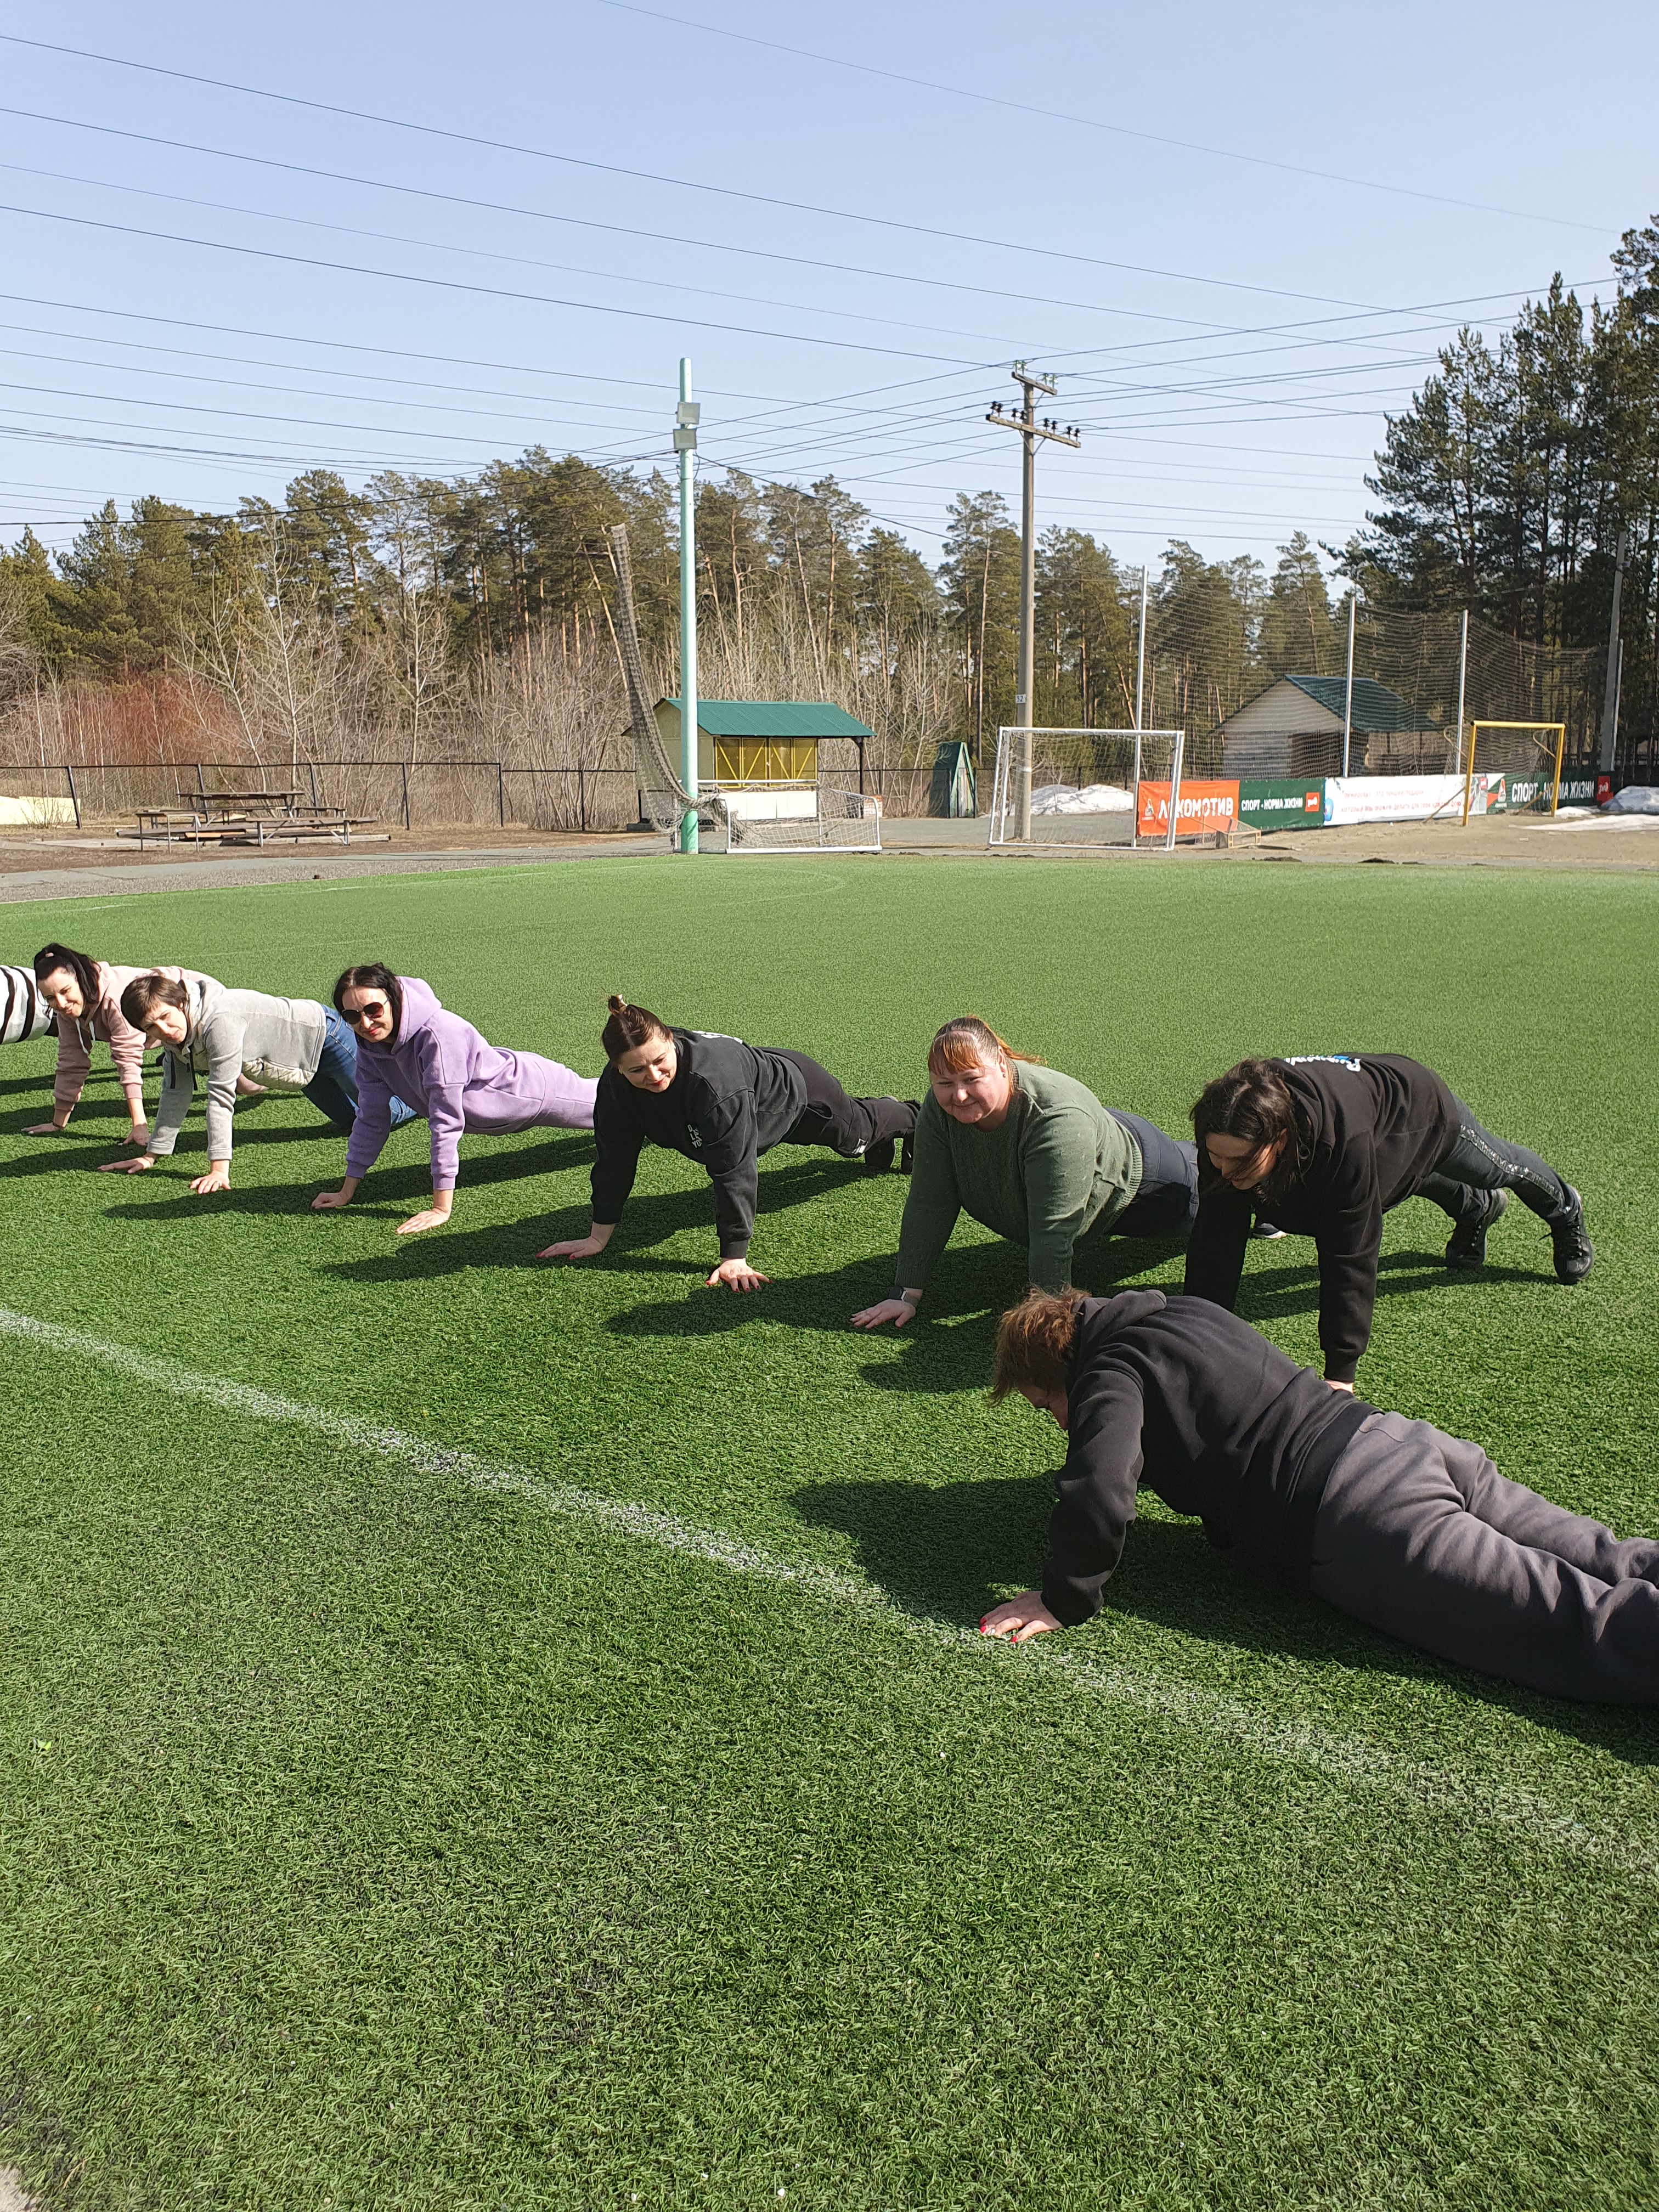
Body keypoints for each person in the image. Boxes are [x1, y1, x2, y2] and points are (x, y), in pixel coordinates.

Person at [978, 1287, 1658, 1703]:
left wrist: (1064, 1595)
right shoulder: (1177, 1311)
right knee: (1607, 1554)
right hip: (1403, 1443)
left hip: (1365, 1516)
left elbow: (1101, 1488)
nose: (1062, 1422)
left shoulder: (1108, 1371)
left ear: (1062, 1364)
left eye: (1048, 1405)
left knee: (1577, 1622)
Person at [1184, 1054, 1592, 1392]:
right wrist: (1198, 1332)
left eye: (1239, 1161)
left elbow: (1350, 1256)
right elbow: (1216, 1238)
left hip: (1419, 1110)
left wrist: (1340, 1374)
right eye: (1214, 1156)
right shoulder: (1226, 1128)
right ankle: (1476, 1209)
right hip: (1369, 1129)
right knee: (1267, 1201)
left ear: (1282, 1138)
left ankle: (1564, 1209)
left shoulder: (1341, 1143)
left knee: (1498, 1168)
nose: (1222, 1168)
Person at [540, 996, 918, 1292]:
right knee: (849, 1141)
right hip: (748, 1099)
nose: (653, 1075)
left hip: (792, 1095)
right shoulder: (616, 1090)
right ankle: (880, 1129)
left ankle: (910, 1117)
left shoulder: (713, 1085)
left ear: (671, 1040)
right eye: (637, 1070)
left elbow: (733, 1169)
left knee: (855, 1140)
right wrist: (597, 1236)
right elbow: (614, 1161)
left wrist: (733, 1256)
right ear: (616, 1068)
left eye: (659, 1060)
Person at [850, 1017, 1197, 1331]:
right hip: (1090, 1137)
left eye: (972, 1079)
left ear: (1002, 1065)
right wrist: (904, 1295)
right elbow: (931, 1201)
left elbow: (1053, 1230)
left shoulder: (1055, 1119)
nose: (959, 1094)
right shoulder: (940, 1110)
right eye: (945, 1082)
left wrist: (1047, 1317)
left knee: (1217, 1193)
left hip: (1144, 1182)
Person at [312, 964, 597, 1236]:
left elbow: (445, 1122)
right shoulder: (371, 1048)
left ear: (393, 999)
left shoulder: (437, 1035)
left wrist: (440, 1208)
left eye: (373, 1009)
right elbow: (371, 1118)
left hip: (528, 1093)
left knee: (617, 1108)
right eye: (351, 1016)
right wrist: (346, 1191)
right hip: (504, 1098)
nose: (365, 1023)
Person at [97, 970, 414, 1195]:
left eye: (166, 1017)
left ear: (181, 1003)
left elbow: (221, 1096)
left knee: (382, 1114)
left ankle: (425, 1097)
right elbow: (174, 1094)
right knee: (352, 1121)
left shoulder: (219, 1020)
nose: (164, 1030)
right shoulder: (176, 1041)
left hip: (323, 1038)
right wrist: (153, 1155)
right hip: (298, 1068)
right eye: (151, 1027)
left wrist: (219, 1170)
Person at [25, 943, 222, 1149]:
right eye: (50, 998)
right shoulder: (67, 1012)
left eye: (66, 991)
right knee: (241, 1082)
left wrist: (140, 1125)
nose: (61, 1003)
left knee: (246, 1083)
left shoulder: (115, 1000)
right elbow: (71, 1062)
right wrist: (58, 1123)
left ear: (81, 980)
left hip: (200, 1006)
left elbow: (128, 1060)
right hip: (170, 1036)